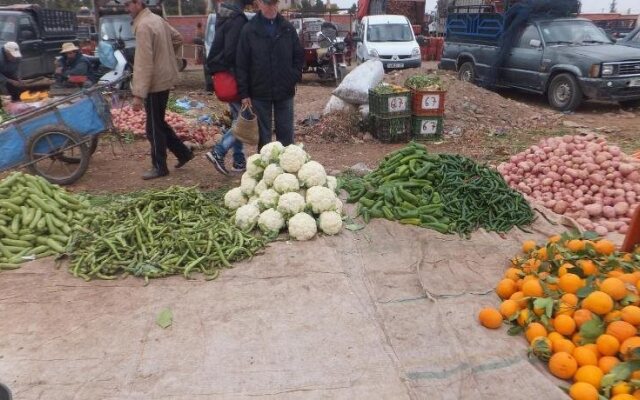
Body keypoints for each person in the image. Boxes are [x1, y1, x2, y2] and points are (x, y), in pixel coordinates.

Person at [126, 0, 194, 180]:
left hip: (155, 82)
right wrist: (165, 56)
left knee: (153, 129)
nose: (127, 8)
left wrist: (138, 94)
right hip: (164, 78)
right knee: (158, 123)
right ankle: (183, 154)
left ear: (138, 3)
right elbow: (178, 38)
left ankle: (159, 166)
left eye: (128, 4)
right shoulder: (156, 19)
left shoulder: (143, 26)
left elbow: (143, 63)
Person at [236, 0, 304, 151]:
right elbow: (241, 64)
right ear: (259, 3)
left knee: (286, 135)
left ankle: (286, 171)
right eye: (268, 4)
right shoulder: (249, 30)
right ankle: (266, 170)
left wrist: (293, 77)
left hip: (284, 90)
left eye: (274, 3)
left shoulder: (287, 28)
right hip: (259, 91)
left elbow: (299, 56)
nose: (271, 7)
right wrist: (244, 93)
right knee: (263, 137)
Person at [204, 0, 252, 175]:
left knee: (236, 118)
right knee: (244, 119)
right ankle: (219, 151)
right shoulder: (237, 19)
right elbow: (233, 52)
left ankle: (239, 161)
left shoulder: (225, 15)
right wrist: (243, 76)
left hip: (224, 75)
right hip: (234, 76)